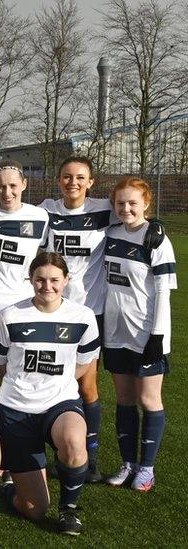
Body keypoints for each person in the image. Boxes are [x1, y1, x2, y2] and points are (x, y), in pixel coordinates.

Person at [0, 252, 99, 536]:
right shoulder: (9, 316)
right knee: (35, 509)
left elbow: (84, 362)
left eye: (54, 280)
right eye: (40, 280)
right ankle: (11, 484)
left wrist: (57, 382)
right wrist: (26, 386)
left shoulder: (83, 317)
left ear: (67, 280)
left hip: (60, 403)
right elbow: (2, 365)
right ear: (31, 280)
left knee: (75, 441)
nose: (47, 286)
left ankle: (69, 510)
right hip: (16, 410)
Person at [37, 156, 113, 483]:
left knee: (87, 383)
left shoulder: (104, 209)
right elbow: (10, 212)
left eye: (80, 177)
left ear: (91, 182)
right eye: (67, 177)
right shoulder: (46, 210)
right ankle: (56, 449)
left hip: (90, 311)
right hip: (52, 310)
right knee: (52, 378)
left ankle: (89, 457)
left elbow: (133, 207)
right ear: (58, 180)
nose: (73, 182)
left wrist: (153, 225)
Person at [102, 177, 177, 492]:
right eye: (120, 203)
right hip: (115, 333)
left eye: (133, 203)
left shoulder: (156, 239)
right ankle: (128, 464)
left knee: (149, 398)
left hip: (146, 334)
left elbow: (163, 290)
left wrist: (157, 336)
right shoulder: (110, 233)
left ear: (146, 203)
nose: (126, 208)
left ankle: (146, 468)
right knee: (124, 398)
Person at [0, 160, 49, 420]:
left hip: (22, 309)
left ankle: (14, 435)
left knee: (17, 374)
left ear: (24, 185)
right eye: (1, 187)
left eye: (13, 186)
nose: (7, 192)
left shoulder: (40, 217)